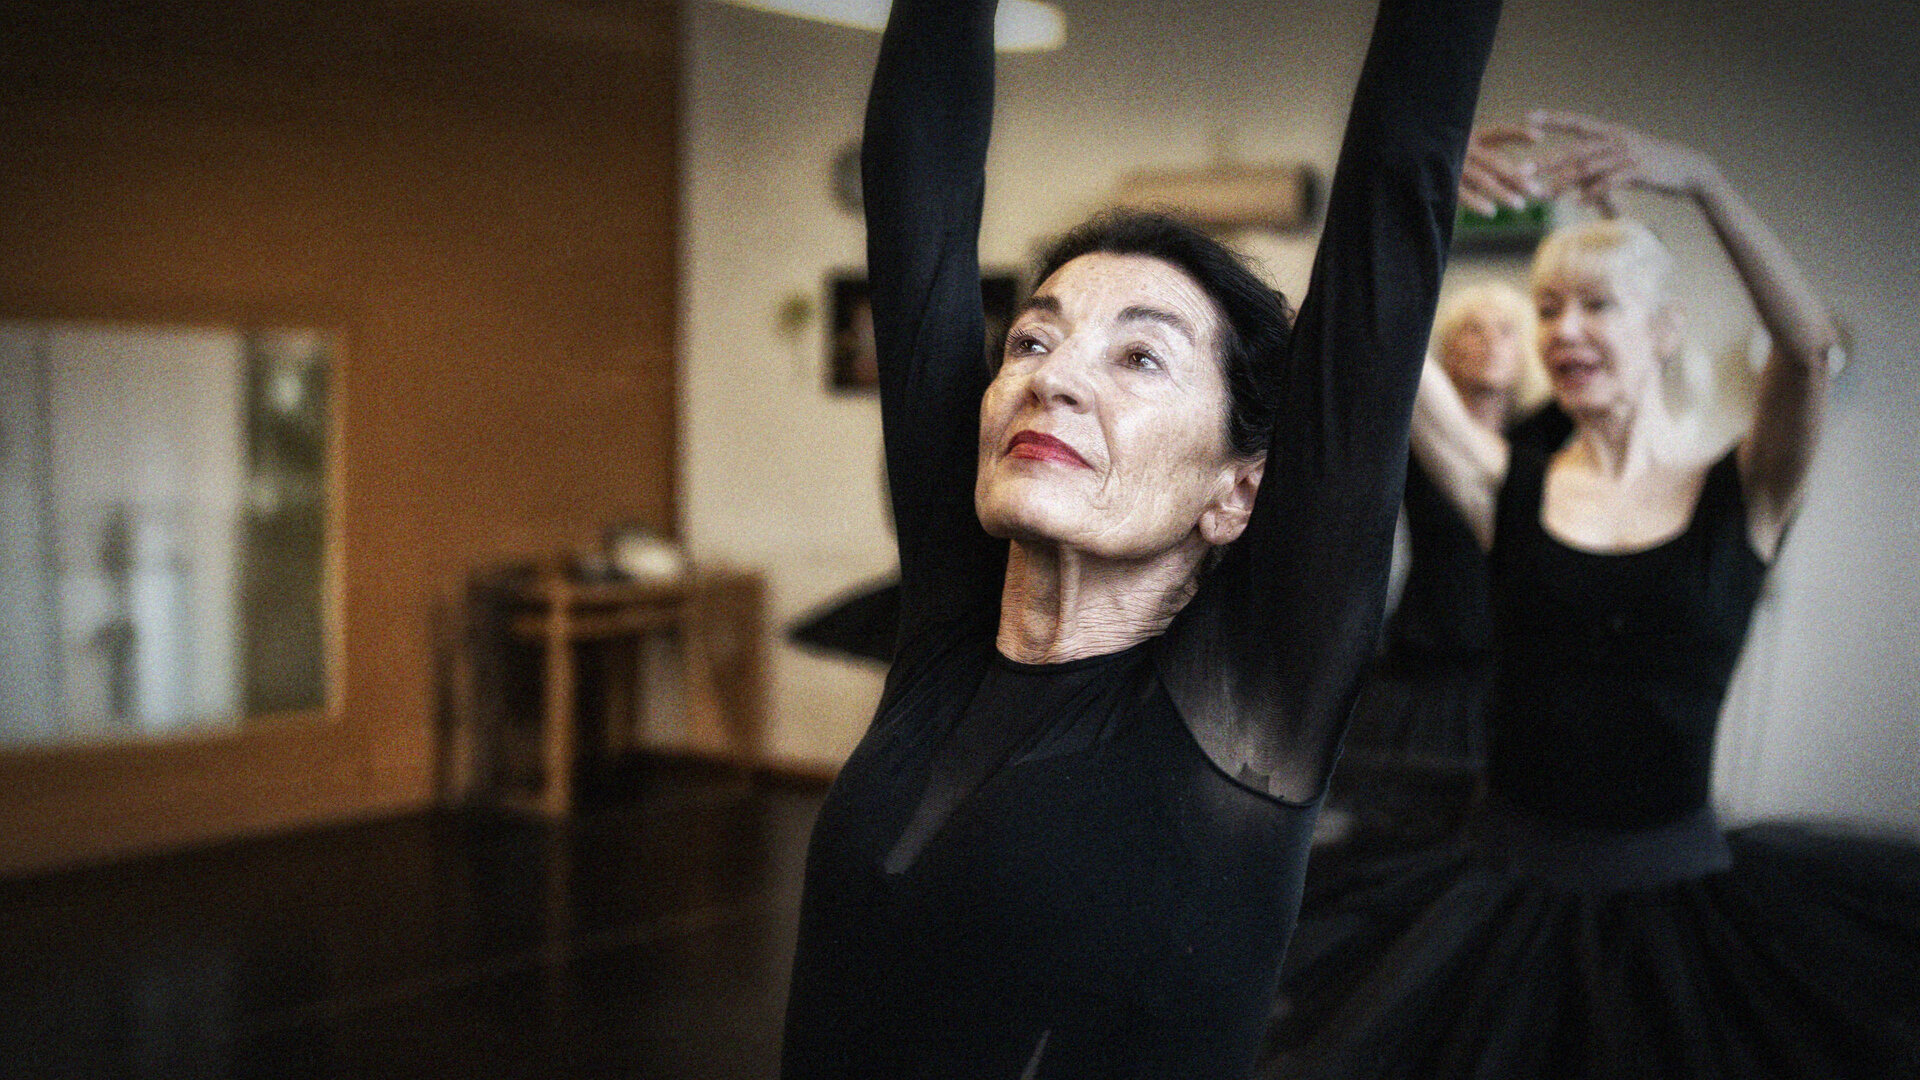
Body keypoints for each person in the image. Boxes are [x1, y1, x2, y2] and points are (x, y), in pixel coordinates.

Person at [778, 0, 1503, 1075]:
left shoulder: (1248, 708)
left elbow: (1398, 196)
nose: (1052, 377)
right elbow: (915, 194)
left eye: (1141, 358)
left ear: (1236, 491)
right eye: (1032, 338)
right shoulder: (951, 631)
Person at [1264, 112, 1920, 1079]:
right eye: (1549, 307)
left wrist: (1701, 177)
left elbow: (1810, 349)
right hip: (1494, 893)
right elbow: (1375, 325)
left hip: (1681, 904)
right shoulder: (1504, 483)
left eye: (1598, 306)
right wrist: (1413, 183)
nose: (1564, 329)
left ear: (1664, 329)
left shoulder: (1746, 492)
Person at [1326, 281, 1566, 843]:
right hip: (1423, 665)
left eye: (1505, 330)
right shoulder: (1413, 437)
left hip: (1516, 673)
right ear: (1447, 350)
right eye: (1471, 330)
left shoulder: (1549, 440)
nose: (1488, 343)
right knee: (1398, 839)